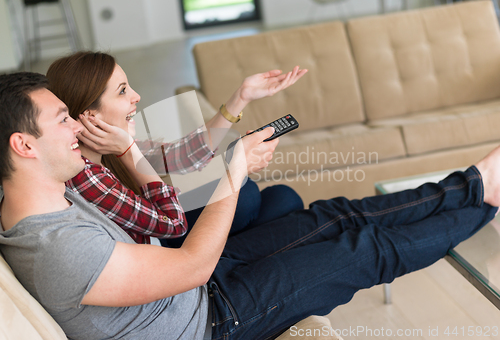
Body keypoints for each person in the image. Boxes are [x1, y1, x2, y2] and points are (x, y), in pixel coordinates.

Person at [0, 72, 499, 340]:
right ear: (24, 146)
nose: (76, 129)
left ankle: (473, 184)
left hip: (202, 290)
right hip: (214, 320)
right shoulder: (55, 246)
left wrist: (136, 147)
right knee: (363, 250)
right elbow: (191, 264)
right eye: (64, 119)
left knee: (332, 215)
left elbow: (174, 165)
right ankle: (486, 200)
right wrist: (233, 171)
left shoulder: (60, 188)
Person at [46, 52, 307, 245]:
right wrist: (128, 151)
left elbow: (182, 155)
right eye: (123, 91)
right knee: (251, 195)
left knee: (283, 198)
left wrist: (241, 97)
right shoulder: (88, 174)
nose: (136, 96)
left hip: (164, 230)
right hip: (163, 247)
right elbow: (173, 224)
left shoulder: (108, 150)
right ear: (89, 115)